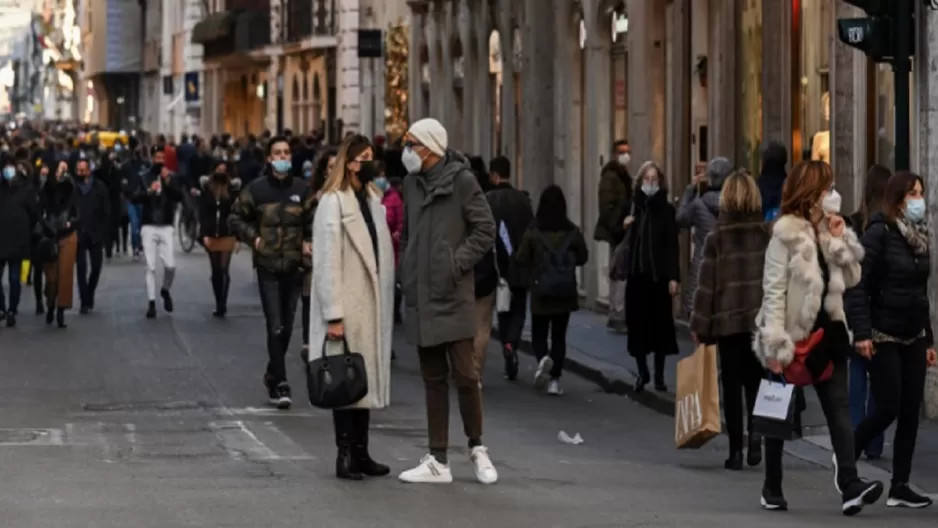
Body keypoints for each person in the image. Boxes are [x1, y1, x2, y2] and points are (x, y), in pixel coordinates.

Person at [754, 160, 883, 514]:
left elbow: (855, 276)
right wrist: (775, 345)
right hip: (792, 336)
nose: (833, 194)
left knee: (839, 411)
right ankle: (772, 485)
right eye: (828, 188)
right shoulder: (785, 234)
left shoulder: (829, 229)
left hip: (829, 335)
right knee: (780, 414)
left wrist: (842, 237)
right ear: (812, 193)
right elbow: (774, 290)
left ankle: (850, 484)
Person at [396, 118, 498, 485]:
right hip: (421, 293)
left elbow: (484, 229)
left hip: (452, 293)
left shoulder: (462, 182)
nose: (405, 151)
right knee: (433, 378)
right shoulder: (410, 183)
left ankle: (477, 447)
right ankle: (437, 458)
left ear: (430, 148)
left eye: (411, 144)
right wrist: (405, 269)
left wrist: (456, 263)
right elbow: (407, 233)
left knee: (466, 374)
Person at [846, 171, 937, 509]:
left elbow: (919, 292)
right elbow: (859, 284)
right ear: (898, 198)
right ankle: (847, 458)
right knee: (888, 405)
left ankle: (900, 484)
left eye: (921, 193)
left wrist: (928, 339)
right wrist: (863, 333)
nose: (919, 199)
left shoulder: (919, 236)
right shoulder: (879, 233)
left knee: (911, 409)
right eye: (913, 193)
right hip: (883, 332)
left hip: (912, 332)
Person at [311, 134, 394, 480]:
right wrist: (333, 314)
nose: (369, 163)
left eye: (372, 157)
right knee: (345, 382)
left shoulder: (373, 200)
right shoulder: (332, 202)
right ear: (349, 162)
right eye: (363, 157)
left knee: (364, 381)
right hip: (347, 302)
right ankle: (344, 453)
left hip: (370, 303)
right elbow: (326, 261)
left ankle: (361, 451)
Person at [689, 171, 769, 470]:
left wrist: (700, 325)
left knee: (732, 385)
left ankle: (736, 450)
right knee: (757, 382)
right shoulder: (766, 234)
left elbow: (706, 285)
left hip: (727, 323)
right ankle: (757, 436)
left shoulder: (717, 237)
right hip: (759, 322)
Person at [229, 135, 315, 410]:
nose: (283, 157)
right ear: (269, 158)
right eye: (277, 153)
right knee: (274, 324)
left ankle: (271, 371)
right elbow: (235, 217)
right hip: (267, 266)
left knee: (287, 327)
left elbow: (313, 220)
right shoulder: (256, 190)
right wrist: (253, 238)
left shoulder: (303, 190)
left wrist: (308, 240)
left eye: (286, 152)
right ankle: (281, 383)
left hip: (294, 266)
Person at [513, 185, 588, 396]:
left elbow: (521, 258)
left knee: (539, 332)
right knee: (559, 335)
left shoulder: (534, 231)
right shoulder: (572, 231)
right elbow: (583, 256)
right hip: (564, 292)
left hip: (540, 290)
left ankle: (542, 359)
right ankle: (555, 379)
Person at [845, 164, 891, 461]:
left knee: (857, 378)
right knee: (879, 381)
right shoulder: (888, 227)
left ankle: (854, 437)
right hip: (883, 312)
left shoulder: (854, 223)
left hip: (855, 310)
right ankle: (873, 443)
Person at [624, 161, 680, 393]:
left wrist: (673, 277)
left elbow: (672, 246)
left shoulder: (666, 210)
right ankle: (642, 372)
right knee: (637, 326)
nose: (650, 184)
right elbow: (614, 234)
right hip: (637, 276)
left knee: (660, 328)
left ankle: (658, 375)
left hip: (658, 278)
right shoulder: (633, 207)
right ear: (639, 182)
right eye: (646, 179)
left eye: (654, 180)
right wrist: (624, 225)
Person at [486, 155, 534, 381]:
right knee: (519, 307)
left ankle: (506, 342)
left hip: (498, 263)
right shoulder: (523, 200)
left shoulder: (488, 200)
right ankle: (512, 341)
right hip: (521, 263)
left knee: (503, 308)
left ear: (494, 175)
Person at [130, 146, 183, 318]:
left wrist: (167, 183)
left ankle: (165, 290)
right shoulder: (144, 177)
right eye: (157, 157)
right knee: (150, 266)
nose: (160, 161)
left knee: (170, 265)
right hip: (149, 224)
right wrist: (148, 192)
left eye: (162, 157)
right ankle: (151, 302)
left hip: (166, 224)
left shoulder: (171, 176)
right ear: (152, 158)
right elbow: (135, 198)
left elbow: (179, 196)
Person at [676, 157, 732, 316]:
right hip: (729, 267)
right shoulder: (737, 204)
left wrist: (690, 190)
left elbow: (680, 219)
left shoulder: (698, 204)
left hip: (703, 265)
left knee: (702, 319)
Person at [300, 147, 335, 363]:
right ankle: (309, 342)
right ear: (323, 171)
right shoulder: (312, 197)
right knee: (310, 299)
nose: (333, 171)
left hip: (338, 260)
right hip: (313, 259)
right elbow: (300, 224)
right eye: (330, 167)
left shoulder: (352, 197)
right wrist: (303, 242)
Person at [593, 139, 632, 333]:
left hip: (621, 230)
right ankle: (617, 314)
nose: (626, 155)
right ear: (615, 154)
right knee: (619, 273)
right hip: (616, 231)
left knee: (620, 272)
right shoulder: (611, 177)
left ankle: (618, 313)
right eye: (622, 151)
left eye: (628, 151)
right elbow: (606, 207)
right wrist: (617, 227)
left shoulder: (622, 175)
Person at [38, 161, 80, 328]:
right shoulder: (46, 188)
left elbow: (77, 211)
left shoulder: (70, 187)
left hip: (67, 235)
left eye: (65, 168)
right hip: (49, 235)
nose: (62, 171)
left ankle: (61, 311)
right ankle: (50, 304)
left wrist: (71, 222)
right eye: (59, 168)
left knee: (65, 275)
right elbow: (40, 211)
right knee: (51, 278)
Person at [197, 159, 241, 318]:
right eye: (219, 169)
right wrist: (203, 235)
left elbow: (237, 213)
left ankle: (223, 303)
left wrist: (237, 236)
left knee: (224, 269)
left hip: (227, 232)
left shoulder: (232, 189)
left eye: (224, 169)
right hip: (211, 233)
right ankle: (218, 301)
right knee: (215, 270)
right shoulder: (206, 189)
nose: (221, 172)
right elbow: (202, 213)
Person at [0, 158, 39, 327]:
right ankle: (3, 308)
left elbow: (34, 214)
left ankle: (11, 310)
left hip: (17, 240)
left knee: (14, 278)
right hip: (5, 239)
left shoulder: (26, 188)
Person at [73, 158, 111, 314]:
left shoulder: (99, 187)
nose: (81, 173)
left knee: (96, 267)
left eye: (83, 170)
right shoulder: (74, 188)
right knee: (81, 269)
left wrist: (103, 232)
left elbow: (106, 210)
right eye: (78, 170)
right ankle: (84, 301)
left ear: (89, 171)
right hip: (79, 233)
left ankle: (90, 291)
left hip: (96, 233)